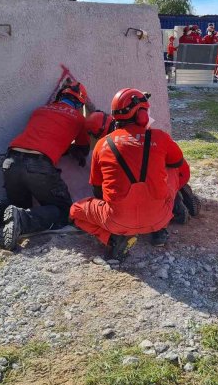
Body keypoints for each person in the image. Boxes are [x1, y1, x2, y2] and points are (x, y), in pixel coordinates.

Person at [0, 81, 90, 250]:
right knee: (63, 210)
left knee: (18, 204)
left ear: (60, 96)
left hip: (10, 160)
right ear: (79, 103)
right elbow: (83, 149)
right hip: (38, 164)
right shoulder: (78, 118)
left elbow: (42, 135)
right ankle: (22, 220)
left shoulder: (40, 110)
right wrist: (72, 149)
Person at [70, 89, 192, 260]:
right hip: (160, 216)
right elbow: (181, 170)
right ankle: (159, 230)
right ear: (142, 114)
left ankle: (113, 239)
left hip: (117, 222)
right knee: (172, 168)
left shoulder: (102, 144)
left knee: (75, 211)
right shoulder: (161, 138)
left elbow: (97, 190)